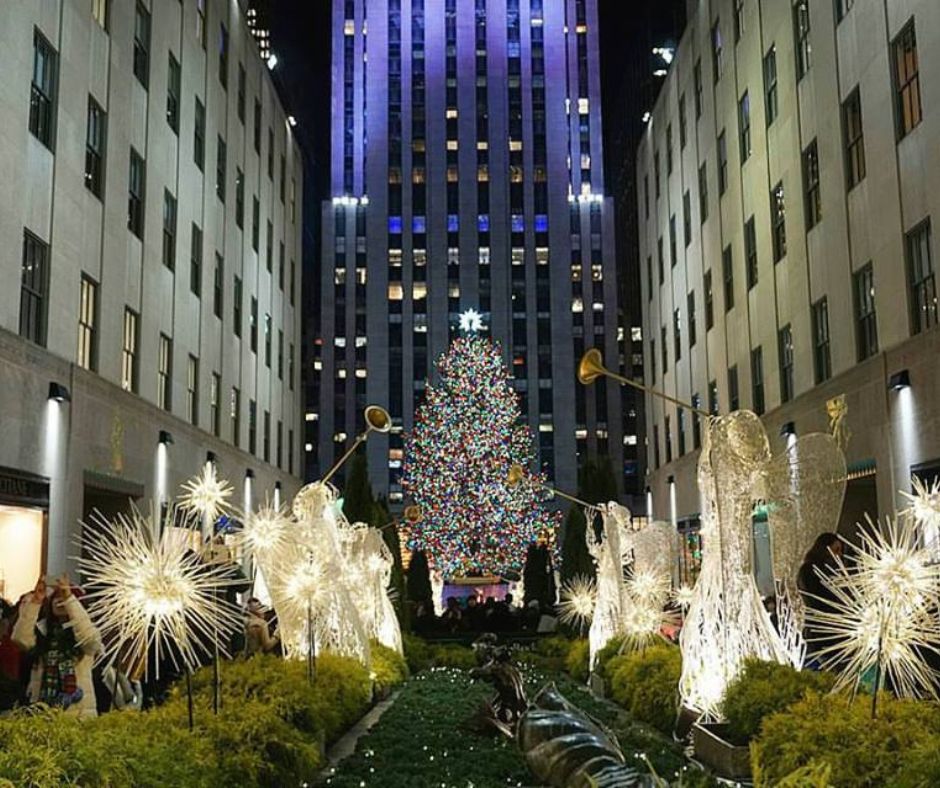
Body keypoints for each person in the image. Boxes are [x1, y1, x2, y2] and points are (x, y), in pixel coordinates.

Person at [13, 575, 102, 718]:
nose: (60, 601)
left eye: (64, 596)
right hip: (43, 713)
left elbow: (91, 642)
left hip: (78, 716)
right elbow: (20, 639)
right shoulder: (43, 633)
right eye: (57, 596)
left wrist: (70, 600)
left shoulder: (82, 634)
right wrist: (36, 601)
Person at [797, 532, 842, 666]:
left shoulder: (816, 569)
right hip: (823, 634)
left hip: (824, 632)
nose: (839, 555)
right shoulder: (812, 571)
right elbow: (818, 601)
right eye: (836, 550)